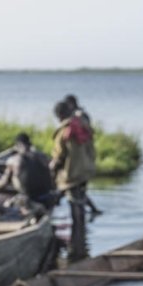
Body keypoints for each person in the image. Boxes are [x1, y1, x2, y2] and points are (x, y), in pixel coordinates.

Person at [51, 100, 97, 259]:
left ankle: (77, 243)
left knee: (74, 204)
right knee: (81, 199)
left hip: (71, 173)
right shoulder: (83, 124)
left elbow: (59, 156)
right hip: (86, 170)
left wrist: (52, 169)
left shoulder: (64, 130)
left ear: (59, 115)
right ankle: (81, 237)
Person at [0, 132, 55, 216]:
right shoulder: (43, 156)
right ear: (30, 144)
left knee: (4, 203)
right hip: (48, 197)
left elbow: (2, 184)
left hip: (29, 200)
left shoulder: (13, 160)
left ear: (17, 145)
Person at [63, 94, 103, 217]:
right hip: (86, 158)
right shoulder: (82, 117)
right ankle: (90, 211)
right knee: (80, 190)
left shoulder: (76, 119)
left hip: (80, 161)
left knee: (75, 191)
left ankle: (82, 217)